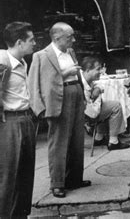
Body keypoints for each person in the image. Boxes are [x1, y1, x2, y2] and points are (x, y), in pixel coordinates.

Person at [28, 22, 90, 198]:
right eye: (69, 37)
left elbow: (77, 75)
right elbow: (33, 84)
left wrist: (84, 94)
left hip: (75, 94)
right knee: (59, 142)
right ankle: (57, 183)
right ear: (57, 38)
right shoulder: (41, 56)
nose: (74, 39)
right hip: (57, 99)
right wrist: (39, 109)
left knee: (77, 139)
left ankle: (74, 178)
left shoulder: (70, 52)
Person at [0, 22, 36, 218]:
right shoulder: (2, 61)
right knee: (7, 177)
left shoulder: (22, 62)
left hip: (25, 119)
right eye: (31, 40)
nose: (35, 43)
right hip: (9, 123)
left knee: (25, 175)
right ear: (20, 42)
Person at [80, 56, 130, 151]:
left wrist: (98, 89)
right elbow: (93, 113)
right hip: (87, 117)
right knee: (116, 106)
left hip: (90, 111)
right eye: (98, 69)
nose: (101, 71)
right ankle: (113, 141)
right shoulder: (82, 85)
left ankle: (99, 137)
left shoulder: (87, 78)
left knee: (105, 105)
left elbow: (99, 85)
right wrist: (98, 97)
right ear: (87, 70)